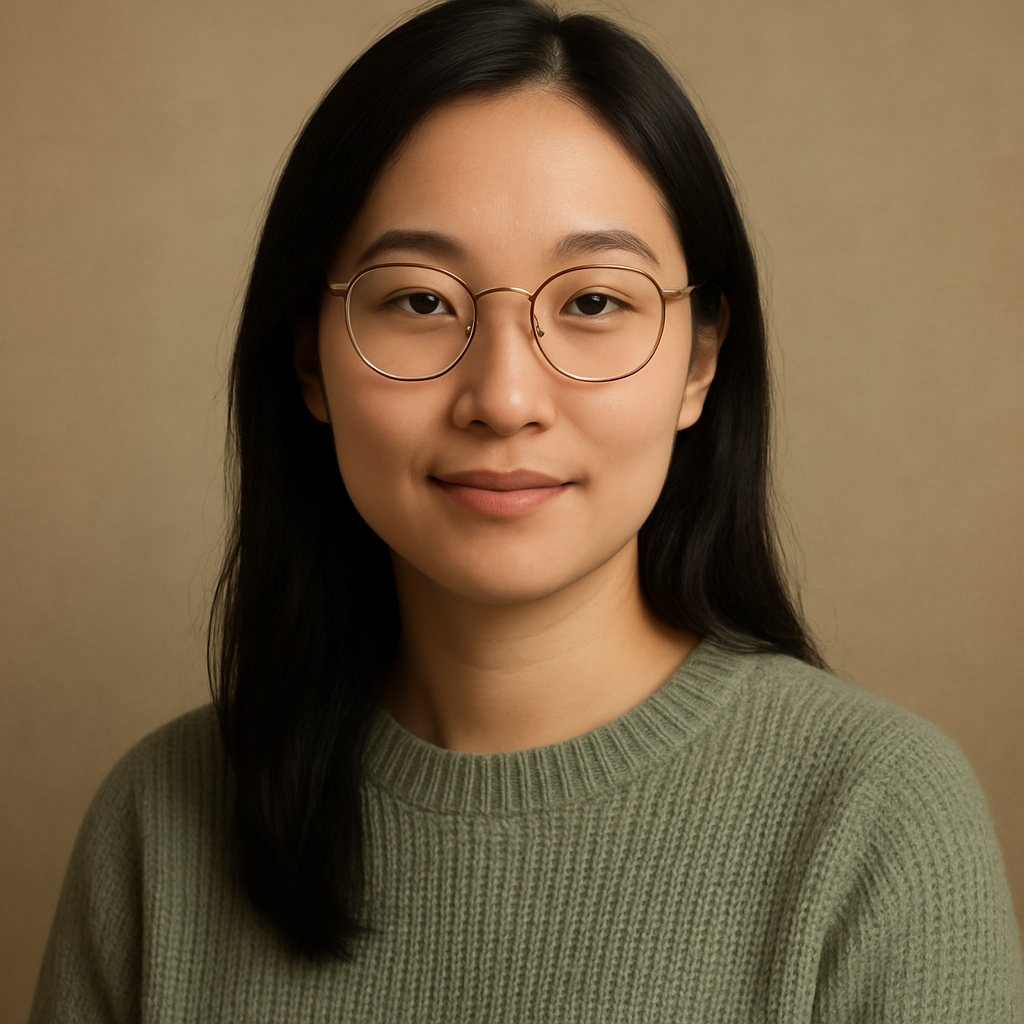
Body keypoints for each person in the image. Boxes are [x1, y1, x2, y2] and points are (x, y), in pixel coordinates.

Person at [29, 0, 1023, 1019]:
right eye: (418, 300)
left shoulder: (875, 815)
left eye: (593, 302)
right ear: (307, 361)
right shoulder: (158, 822)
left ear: (701, 361)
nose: (503, 397)